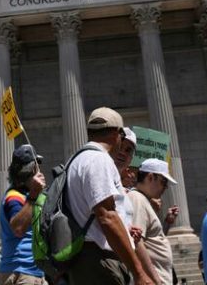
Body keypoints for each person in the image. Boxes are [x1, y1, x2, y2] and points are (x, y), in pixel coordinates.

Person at [66, 107, 153, 285]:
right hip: (99, 260)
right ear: (118, 134)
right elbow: (107, 216)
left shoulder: (75, 161)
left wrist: (125, 232)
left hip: (85, 259)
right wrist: (139, 272)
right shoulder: (100, 159)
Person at [0, 144, 46, 285]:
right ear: (29, 170)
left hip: (33, 271)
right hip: (21, 272)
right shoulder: (14, 197)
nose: (40, 170)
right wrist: (33, 195)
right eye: (37, 166)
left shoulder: (25, 195)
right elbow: (18, 228)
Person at [127, 158, 177, 284]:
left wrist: (167, 223)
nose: (165, 188)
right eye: (163, 182)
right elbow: (137, 241)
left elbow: (152, 239)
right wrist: (156, 280)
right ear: (150, 177)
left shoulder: (142, 199)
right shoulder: (137, 199)